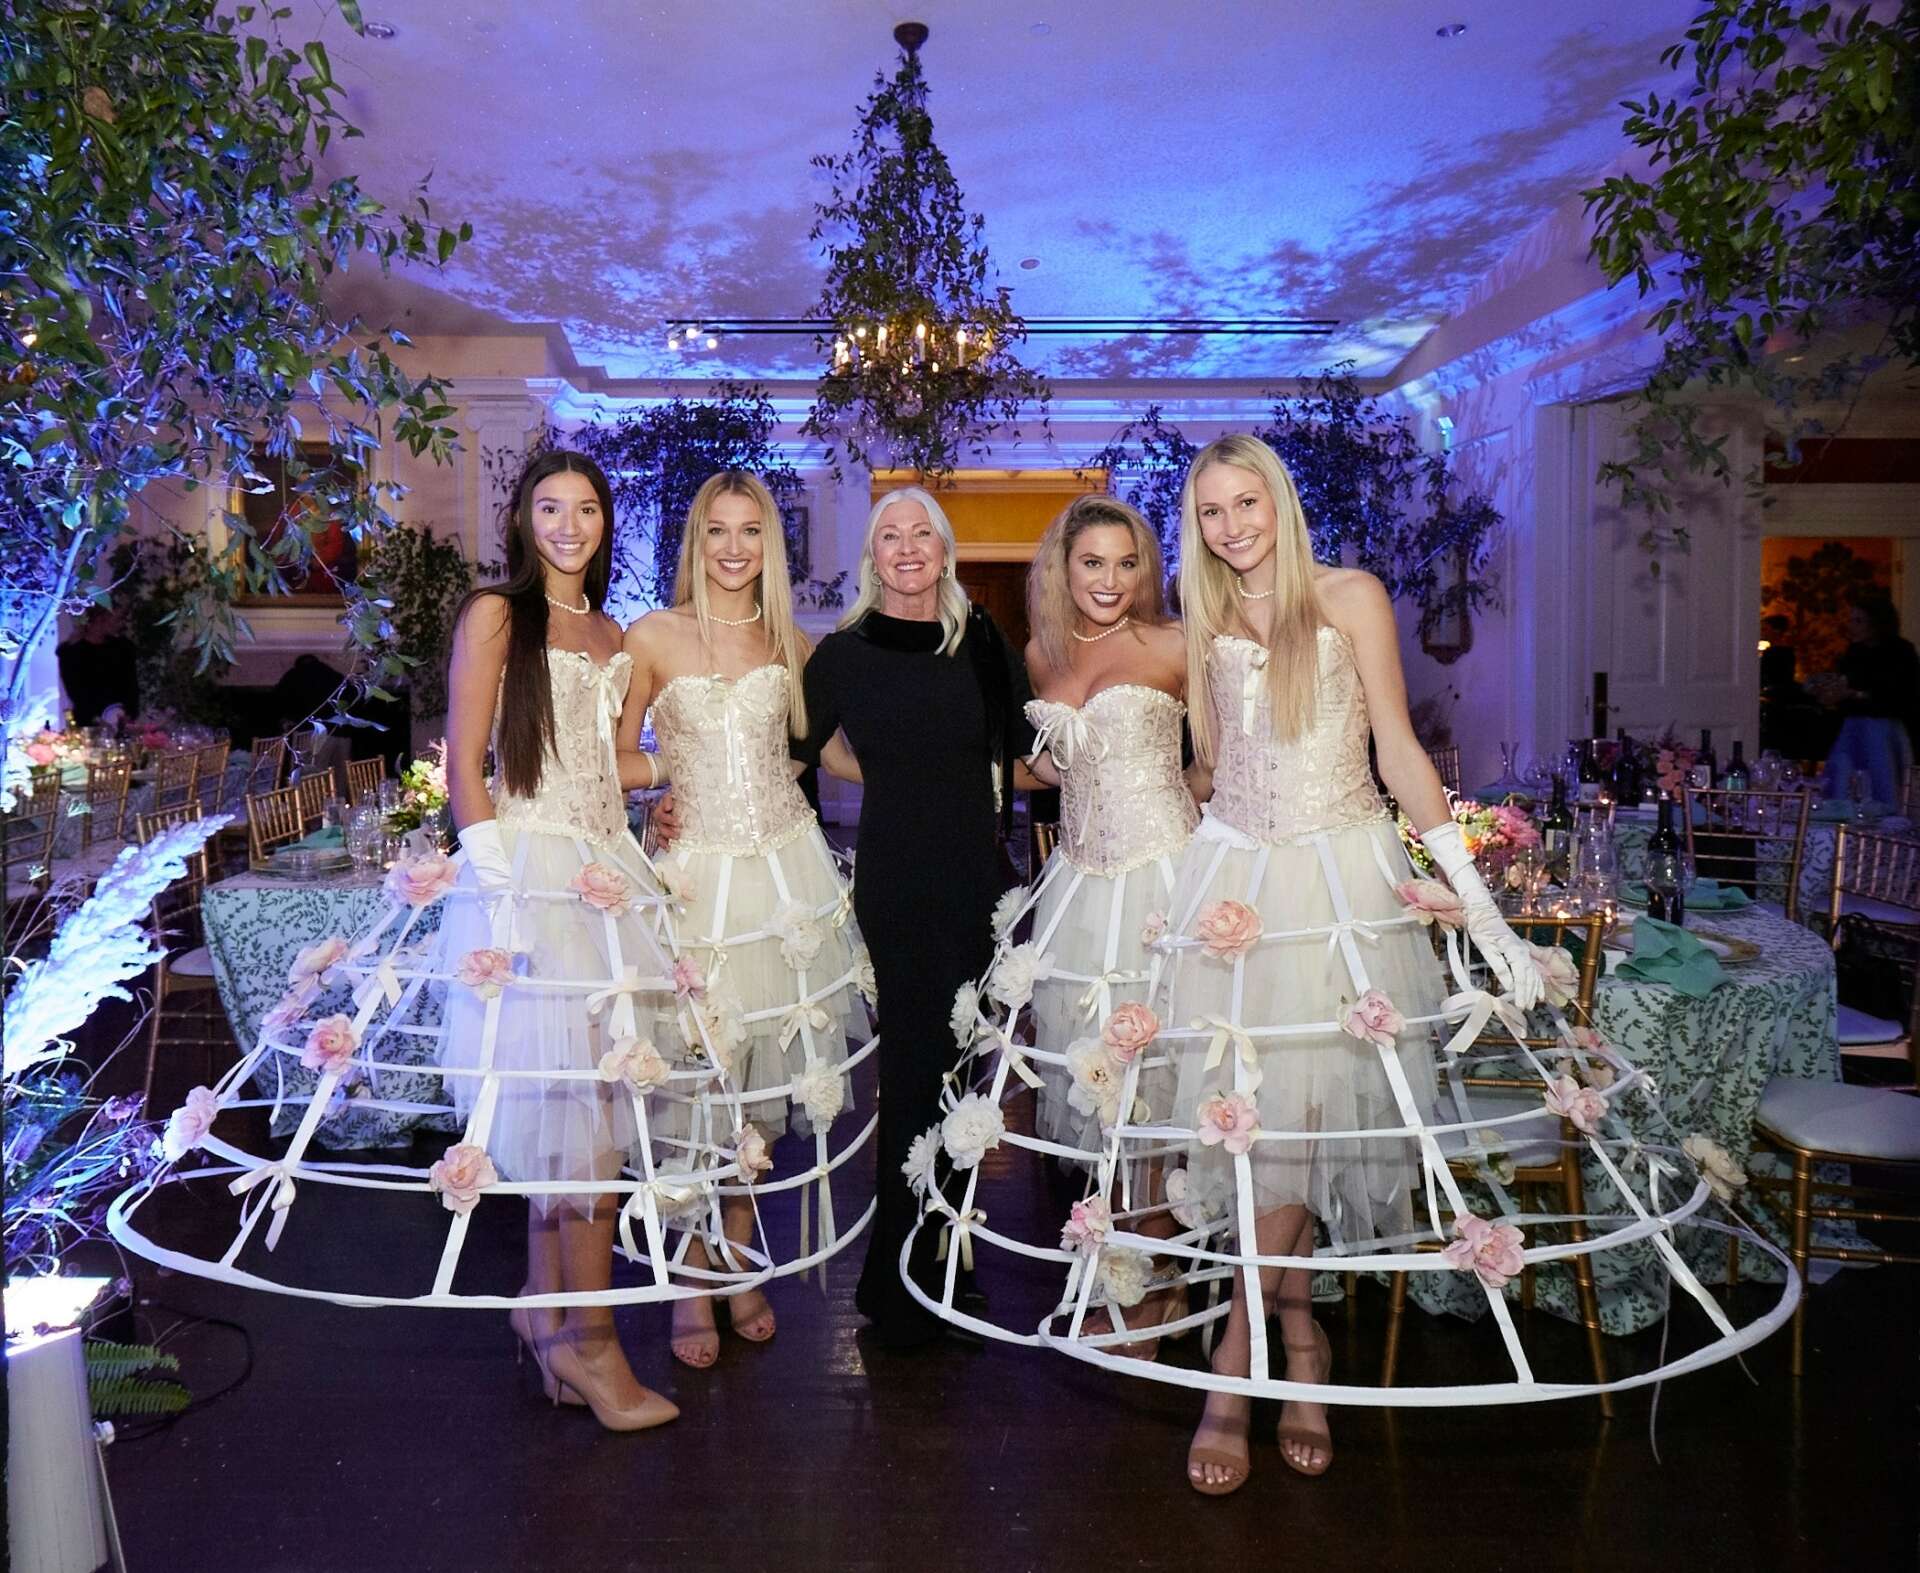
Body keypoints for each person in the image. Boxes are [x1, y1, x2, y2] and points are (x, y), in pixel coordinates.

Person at [1156, 436, 1543, 1492]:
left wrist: (1473, 897)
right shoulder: (1206, 615)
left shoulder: (1350, 595)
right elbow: (1213, 764)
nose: (1231, 527)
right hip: (1237, 885)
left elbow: (1398, 749)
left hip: (1340, 885)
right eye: (1211, 512)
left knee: (1307, 1124)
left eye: (1247, 503)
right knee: (1255, 1134)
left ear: (1279, 501)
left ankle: (1238, 1361)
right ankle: (1300, 1341)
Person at [439, 450, 680, 1432]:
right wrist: (505, 899)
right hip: (532, 881)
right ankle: (592, 1342)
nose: (569, 525)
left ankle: (545, 1316)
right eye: (550, 507)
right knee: (583, 1128)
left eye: (586, 508)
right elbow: (466, 764)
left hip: (606, 874)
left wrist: (668, 781)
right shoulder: (497, 614)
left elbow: (604, 763)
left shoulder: (612, 631)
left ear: (605, 521)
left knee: (586, 1115)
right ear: (523, 518)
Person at [617, 471, 872, 1370]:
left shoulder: (791, 642)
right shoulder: (651, 635)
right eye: (718, 530)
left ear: (772, 544)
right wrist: (661, 789)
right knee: (697, 1072)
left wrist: (932, 764)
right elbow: (613, 757)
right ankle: (690, 1274)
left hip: (781, 875)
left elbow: (829, 755)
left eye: (751, 531)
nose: (734, 547)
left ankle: (735, 1246)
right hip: (694, 880)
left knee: (761, 1076)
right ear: (697, 540)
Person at [935, 495, 1198, 1352]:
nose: (1110, 580)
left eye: (1126, 562)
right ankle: (1125, 1271)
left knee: (1159, 1085)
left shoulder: (1175, 645)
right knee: (1101, 1087)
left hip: (1163, 880)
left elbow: (1219, 759)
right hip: (1080, 891)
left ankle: (1157, 1287)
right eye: (1093, 562)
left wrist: (1185, 819)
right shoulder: (1043, 655)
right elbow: (1044, 765)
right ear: (1063, 568)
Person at [791, 487, 1035, 1349]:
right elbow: (795, 750)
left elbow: (1027, 752)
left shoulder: (984, 642)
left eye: (920, 533)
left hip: (978, 879)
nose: (906, 548)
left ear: (944, 549)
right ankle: (897, 1273)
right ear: (872, 554)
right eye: (889, 535)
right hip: (898, 883)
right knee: (912, 1069)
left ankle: (948, 1249)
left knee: (965, 1070)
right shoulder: (844, 653)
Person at [1821, 593, 1920, 804]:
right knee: (1843, 782)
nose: (1852, 626)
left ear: (1877, 623)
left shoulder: (1900, 652)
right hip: (1852, 728)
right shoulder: (1854, 651)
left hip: (1883, 729)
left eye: (1859, 621)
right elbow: (1845, 686)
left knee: (1883, 783)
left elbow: (1902, 696)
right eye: (1851, 620)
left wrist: (1857, 694)